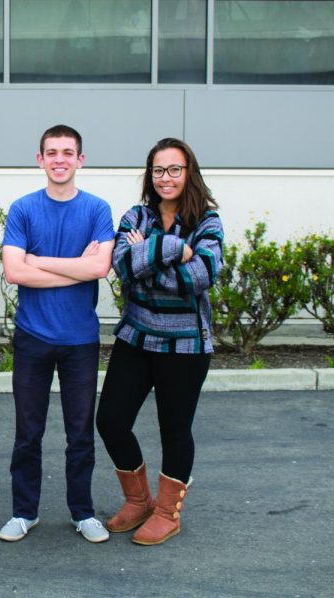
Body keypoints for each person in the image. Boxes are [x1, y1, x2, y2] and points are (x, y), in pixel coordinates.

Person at [96, 137, 223, 545]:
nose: (165, 178)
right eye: (158, 170)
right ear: (149, 175)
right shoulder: (137, 215)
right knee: (111, 420)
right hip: (137, 338)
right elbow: (122, 266)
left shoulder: (208, 221)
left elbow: (199, 277)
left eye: (174, 169)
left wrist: (148, 256)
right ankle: (139, 501)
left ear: (189, 173)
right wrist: (174, 248)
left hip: (185, 346)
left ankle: (168, 512)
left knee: (175, 429)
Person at [0, 125, 115, 544]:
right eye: (52, 152)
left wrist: (40, 262)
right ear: (40, 159)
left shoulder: (98, 209)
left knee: (80, 432)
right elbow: (14, 272)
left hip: (80, 340)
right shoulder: (24, 209)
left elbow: (99, 268)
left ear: (80, 160)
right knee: (28, 432)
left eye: (68, 152)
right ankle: (23, 512)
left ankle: (83, 512)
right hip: (33, 338)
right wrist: (73, 268)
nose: (60, 159)